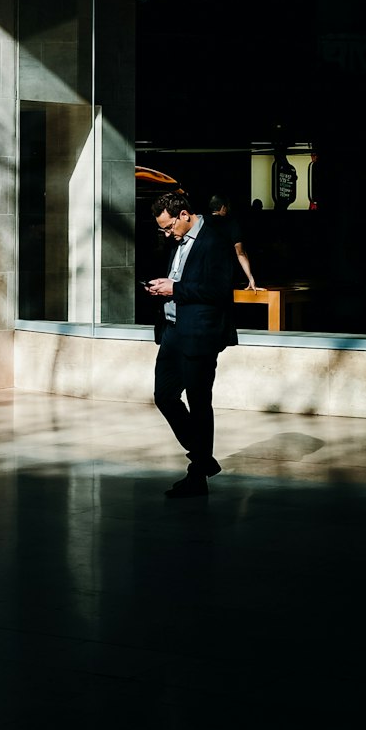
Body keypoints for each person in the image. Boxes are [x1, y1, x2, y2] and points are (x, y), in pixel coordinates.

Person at [146, 189, 238, 498]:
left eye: (169, 227)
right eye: (162, 229)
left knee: (199, 403)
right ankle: (203, 457)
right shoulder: (179, 241)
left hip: (200, 333)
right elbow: (181, 281)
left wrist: (175, 288)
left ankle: (198, 473)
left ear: (184, 215)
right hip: (173, 330)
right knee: (164, 395)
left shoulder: (214, 241)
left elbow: (219, 290)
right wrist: (164, 287)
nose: (167, 234)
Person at [208, 192, 259, 290]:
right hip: (225, 276)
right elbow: (240, 253)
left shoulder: (202, 222)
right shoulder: (231, 224)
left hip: (203, 276)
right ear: (223, 207)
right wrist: (250, 278)